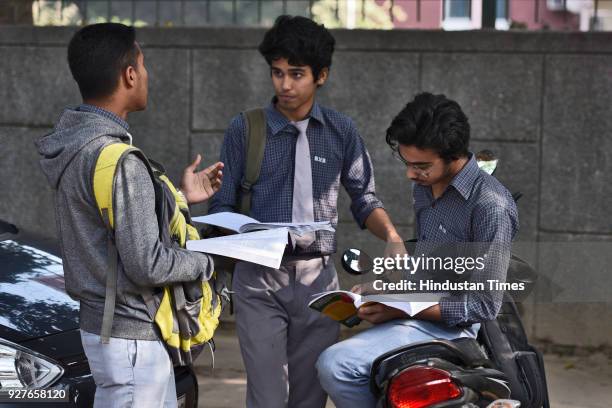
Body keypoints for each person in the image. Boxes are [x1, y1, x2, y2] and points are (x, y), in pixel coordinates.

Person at [208, 15, 403, 408]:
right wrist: (236, 237)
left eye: (296, 74)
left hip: (318, 282)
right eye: (277, 73)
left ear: (321, 76)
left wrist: (394, 238)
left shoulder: (341, 131)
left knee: (311, 396)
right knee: (267, 396)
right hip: (259, 279)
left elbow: (364, 197)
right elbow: (222, 203)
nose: (284, 84)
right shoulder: (245, 129)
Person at [36, 23, 223, 408]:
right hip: (133, 339)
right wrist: (210, 260)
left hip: (105, 331)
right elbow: (148, 264)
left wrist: (181, 199)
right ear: (130, 74)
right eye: (144, 63)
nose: (147, 74)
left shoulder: (77, 145)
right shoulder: (117, 160)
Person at [316, 92, 519, 407]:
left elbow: (483, 305)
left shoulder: (490, 205)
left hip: (456, 328)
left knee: (336, 364)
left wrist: (401, 308)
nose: (411, 174)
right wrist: (386, 291)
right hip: (417, 313)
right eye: (407, 162)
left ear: (452, 155)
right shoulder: (425, 187)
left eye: (421, 165)